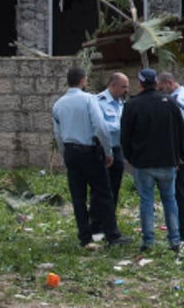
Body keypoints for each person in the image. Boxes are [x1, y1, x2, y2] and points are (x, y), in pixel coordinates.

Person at [51, 66, 128, 249]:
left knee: (78, 196)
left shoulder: (58, 104)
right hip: (89, 150)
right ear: (83, 80)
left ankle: (85, 237)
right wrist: (108, 151)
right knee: (103, 192)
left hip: (70, 151)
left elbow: (58, 133)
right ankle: (112, 235)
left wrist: (65, 154)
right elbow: (100, 126)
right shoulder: (89, 100)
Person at [121, 68, 184, 253]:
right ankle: (174, 240)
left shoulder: (132, 105)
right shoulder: (170, 103)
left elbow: (125, 136)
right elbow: (182, 132)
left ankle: (148, 240)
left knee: (146, 201)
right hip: (167, 161)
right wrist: (180, 156)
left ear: (141, 83)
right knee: (170, 200)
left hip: (143, 163)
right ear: (156, 83)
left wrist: (130, 157)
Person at [157, 71, 184, 244]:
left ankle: (183, 232)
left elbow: (183, 130)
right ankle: (182, 229)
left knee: (178, 192)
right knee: (181, 189)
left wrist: (177, 156)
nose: (162, 92)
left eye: (162, 88)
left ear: (169, 83)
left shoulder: (179, 100)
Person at [91, 71, 128, 236]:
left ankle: (110, 223)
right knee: (100, 188)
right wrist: (122, 127)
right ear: (112, 85)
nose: (126, 90)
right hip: (101, 149)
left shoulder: (122, 103)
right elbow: (101, 126)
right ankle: (96, 224)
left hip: (117, 148)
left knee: (115, 186)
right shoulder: (98, 101)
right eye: (123, 87)